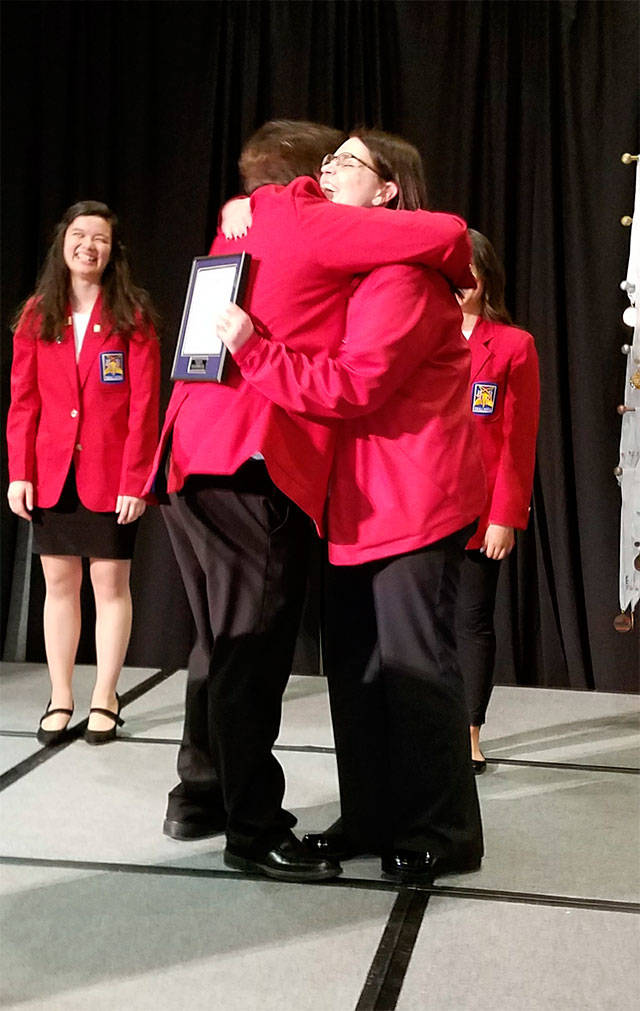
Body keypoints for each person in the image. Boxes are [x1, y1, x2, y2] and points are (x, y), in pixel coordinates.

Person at [146, 119, 476, 883]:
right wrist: (256, 206)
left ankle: (432, 827)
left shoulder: (390, 269)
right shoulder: (309, 232)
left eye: (346, 163)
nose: (328, 174)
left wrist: (254, 339)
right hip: (314, 486)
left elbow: (356, 380)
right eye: (323, 163)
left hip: (394, 495)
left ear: (388, 192)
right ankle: (304, 817)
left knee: (380, 662)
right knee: (294, 656)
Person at [7, 200, 160, 746]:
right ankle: (61, 696)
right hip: (52, 474)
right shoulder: (37, 314)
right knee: (59, 586)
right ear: (63, 242)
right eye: (79, 235)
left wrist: (136, 480)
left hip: (111, 477)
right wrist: (19, 472)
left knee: (110, 586)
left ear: (112, 251)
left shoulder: (132, 315)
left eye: (99, 238)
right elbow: (23, 401)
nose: (88, 246)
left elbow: (145, 406)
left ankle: (105, 697)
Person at [455, 229, 540, 772]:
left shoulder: (513, 345)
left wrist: (505, 516)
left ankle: (468, 734)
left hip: (479, 513)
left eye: (469, 272)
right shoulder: (418, 336)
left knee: (471, 622)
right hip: (419, 510)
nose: (459, 283)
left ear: (486, 280)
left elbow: (518, 440)